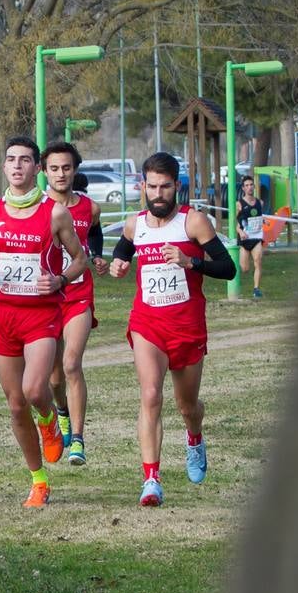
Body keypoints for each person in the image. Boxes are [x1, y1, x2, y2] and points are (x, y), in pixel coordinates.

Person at [106, 152, 238, 506]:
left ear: (176, 186)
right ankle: (151, 479)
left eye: (165, 186)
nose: (159, 194)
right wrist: (119, 265)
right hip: (147, 324)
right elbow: (122, 252)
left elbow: (228, 269)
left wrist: (190, 261)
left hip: (187, 326)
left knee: (187, 404)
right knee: (150, 395)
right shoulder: (135, 225)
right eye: (152, 187)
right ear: (143, 187)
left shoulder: (193, 222)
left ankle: (194, 437)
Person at [0, 137, 87, 507]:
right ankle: (38, 480)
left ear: (36, 168)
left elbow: (79, 259)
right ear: (4, 167)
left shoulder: (54, 213)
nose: (17, 166)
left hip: (41, 314)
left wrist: (61, 280)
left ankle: (50, 421)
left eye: (24, 160)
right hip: (4, 314)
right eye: (11, 160)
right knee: (16, 403)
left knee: (36, 390)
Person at [41, 141, 105, 467]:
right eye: (54, 168)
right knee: (53, 379)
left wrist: (98, 255)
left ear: (75, 170)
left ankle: (78, 439)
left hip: (78, 294)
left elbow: (95, 234)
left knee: (71, 364)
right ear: (45, 171)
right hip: (47, 300)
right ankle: (61, 412)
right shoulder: (39, 209)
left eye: (66, 167)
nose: (61, 173)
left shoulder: (89, 208)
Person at [234, 175, 268, 299]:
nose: (249, 187)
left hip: (257, 237)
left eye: (251, 185)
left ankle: (256, 289)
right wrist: (240, 231)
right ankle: (249, 277)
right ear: (243, 188)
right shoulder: (239, 204)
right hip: (245, 239)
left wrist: (264, 221)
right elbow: (236, 223)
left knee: (258, 262)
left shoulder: (260, 202)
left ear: (254, 186)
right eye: (247, 185)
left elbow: (259, 217)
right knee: (244, 268)